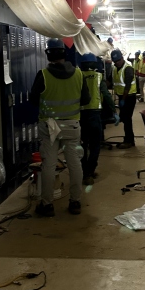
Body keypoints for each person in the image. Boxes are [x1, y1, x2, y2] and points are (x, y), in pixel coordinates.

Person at [29, 38, 90, 217]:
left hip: (50, 126)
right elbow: (85, 100)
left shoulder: (43, 75)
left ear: (48, 54)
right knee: (74, 163)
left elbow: (33, 100)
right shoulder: (78, 74)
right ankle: (75, 202)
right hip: (72, 125)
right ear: (64, 53)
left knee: (48, 164)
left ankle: (47, 205)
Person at [79, 53, 117, 185]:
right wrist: (114, 111)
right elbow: (106, 95)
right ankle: (89, 172)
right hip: (95, 114)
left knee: (83, 144)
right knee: (95, 144)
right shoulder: (99, 76)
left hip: (80, 114)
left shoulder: (77, 76)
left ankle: (84, 172)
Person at [109, 49, 137, 149]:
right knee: (125, 119)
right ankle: (128, 139)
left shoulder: (128, 68)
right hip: (122, 96)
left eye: (118, 61)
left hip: (129, 96)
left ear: (122, 58)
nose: (117, 63)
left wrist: (123, 100)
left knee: (127, 119)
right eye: (115, 61)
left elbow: (127, 86)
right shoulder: (114, 67)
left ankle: (129, 141)